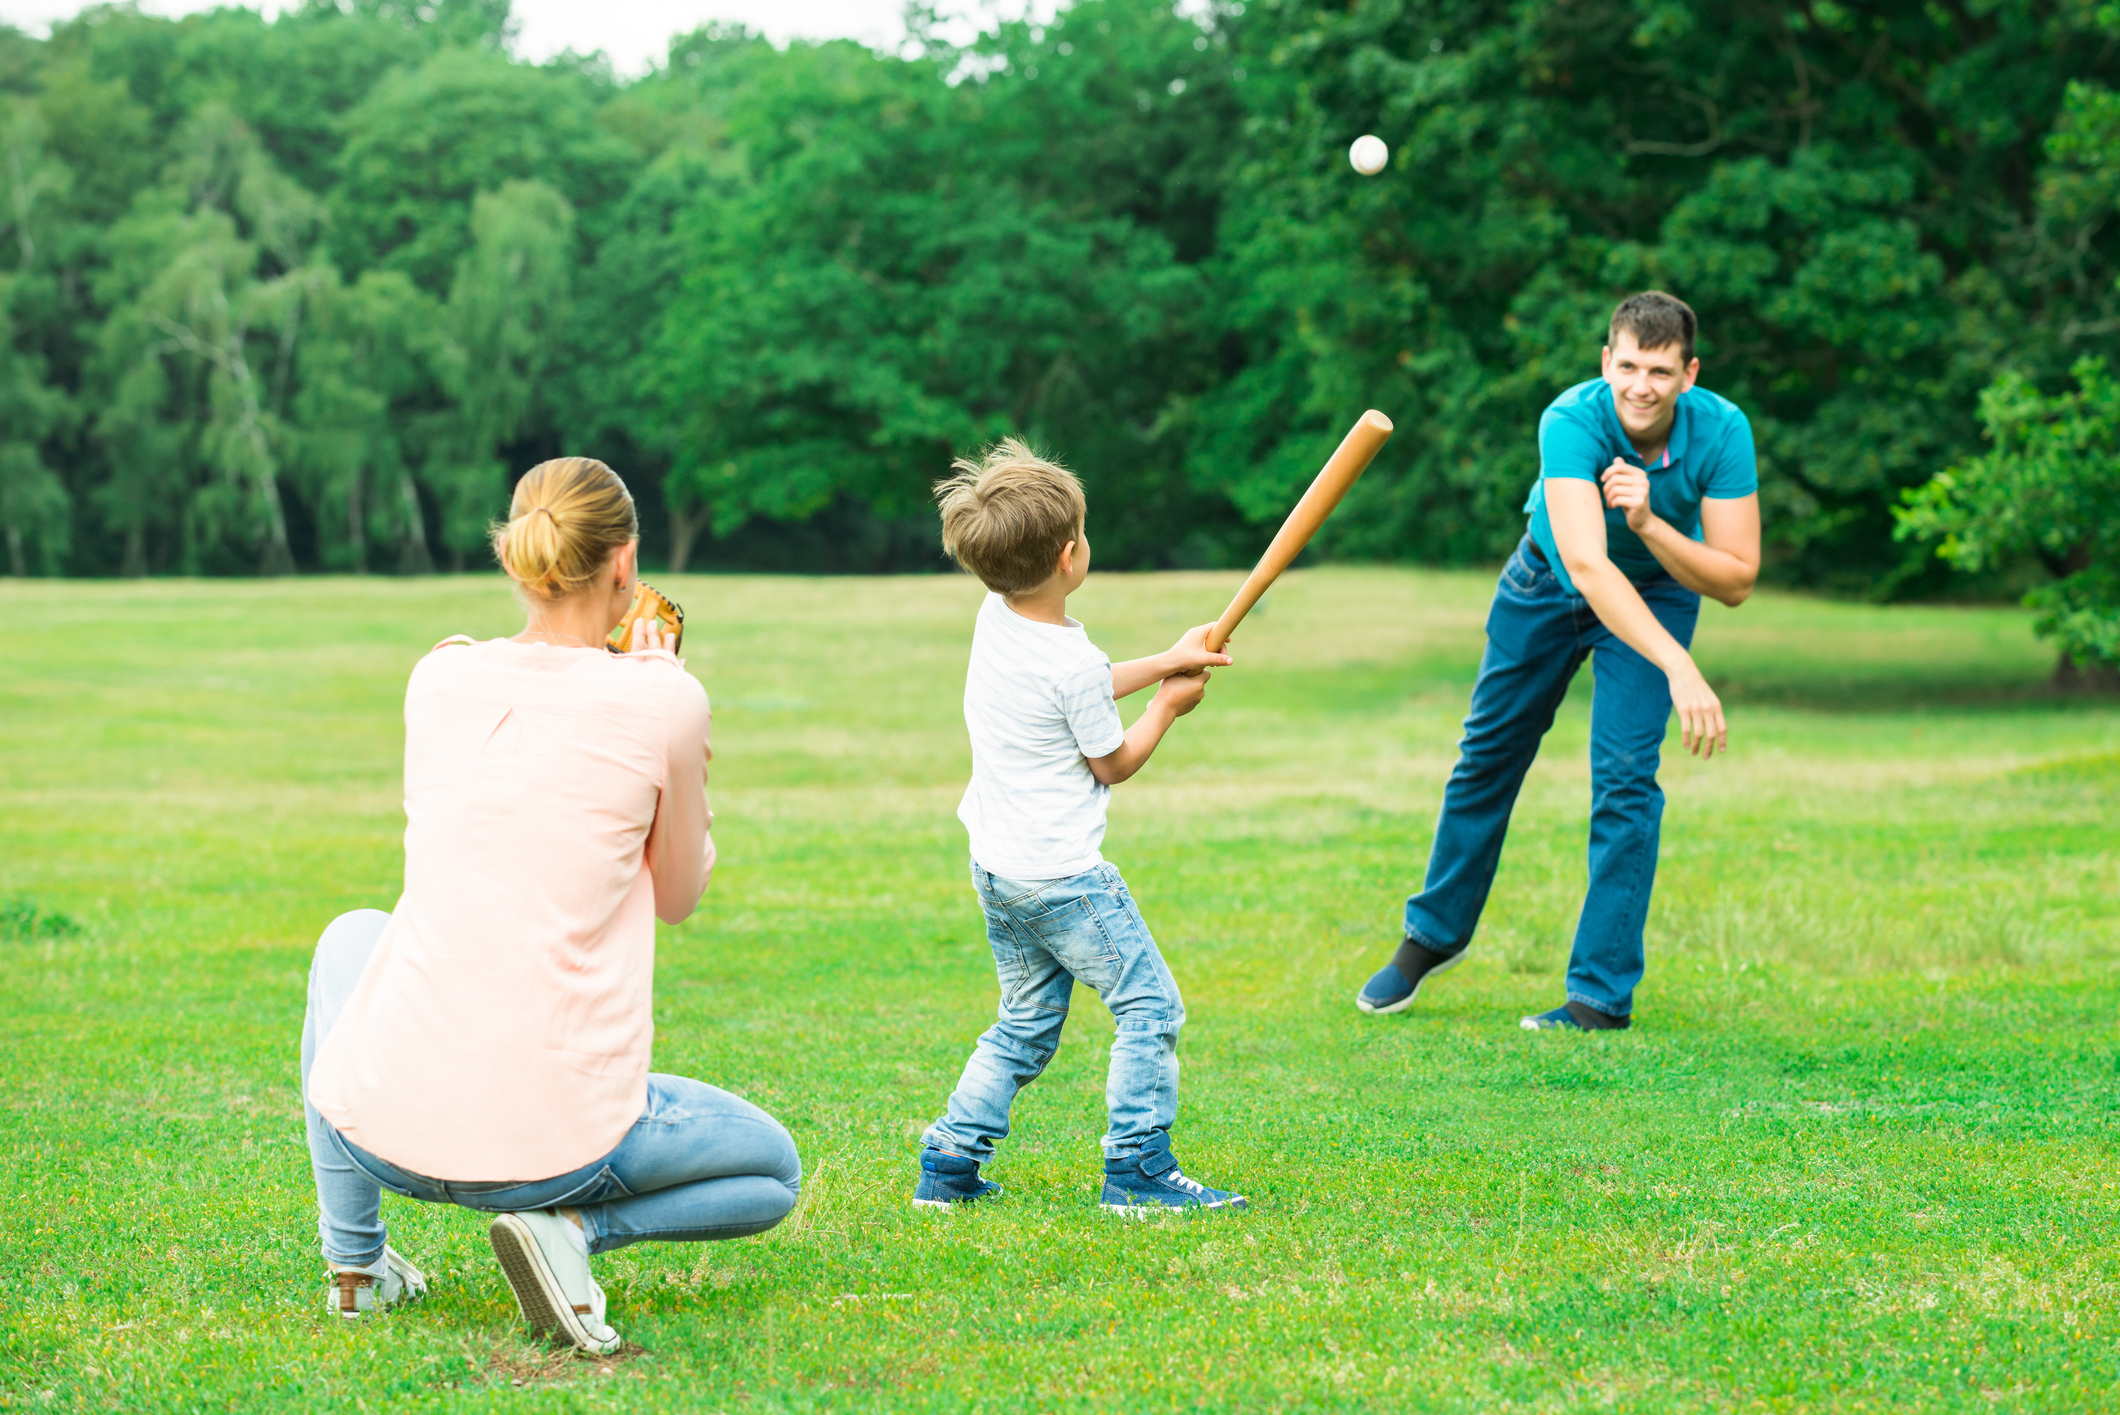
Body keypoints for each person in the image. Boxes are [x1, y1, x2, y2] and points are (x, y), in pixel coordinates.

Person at [301, 457, 801, 1354]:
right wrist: (667, 706)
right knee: (773, 1169)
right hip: (560, 1149)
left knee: (349, 938)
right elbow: (680, 894)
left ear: (517, 560)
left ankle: (356, 1267)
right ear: (625, 562)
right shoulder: (667, 701)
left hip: (383, 1130)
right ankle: (568, 1233)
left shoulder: (438, 677)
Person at [1357, 291, 1761, 1031]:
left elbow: (1735, 576)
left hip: (1656, 595)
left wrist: (1649, 521)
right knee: (1488, 755)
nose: (1642, 385)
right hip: (1548, 581)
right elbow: (1586, 561)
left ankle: (1598, 998)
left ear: (1689, 375)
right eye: (1629, 365)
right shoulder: (1572, 418)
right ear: (1607, 361)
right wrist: (1681, 667)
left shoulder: (1723, 430)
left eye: (1661, 371)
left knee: (1626, 783)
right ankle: (1431, 939)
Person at [913, 439, 1247, 1213]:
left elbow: (1084, 687)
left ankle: (950, 1162)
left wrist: (1166, 659)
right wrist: (1169, 703)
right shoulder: (1067, 660)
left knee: (1025, 1022)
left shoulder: (996, 616)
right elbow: (1112, 759)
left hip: (999, 869)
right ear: (1071, 555)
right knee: (1151, 1006)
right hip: (1064, 879)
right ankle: (1137, 1167)